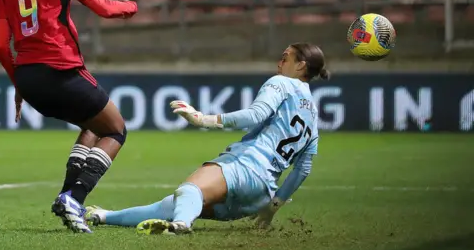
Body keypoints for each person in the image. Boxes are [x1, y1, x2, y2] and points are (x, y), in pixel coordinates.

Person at [0, 0, 138, 233]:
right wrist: (132, 6)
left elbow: (3, 46)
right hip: (60, 70)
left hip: (30, 81)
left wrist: (19, 83)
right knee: (116, 129)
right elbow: (104, 8)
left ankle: (66, 197)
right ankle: (75, 197)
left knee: (92, 125)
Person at [85, 43, 329, 234]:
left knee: (189, 191)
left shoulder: (282, 83)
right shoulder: (312, 116)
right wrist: (272, 208)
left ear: (300, 66)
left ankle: (180, 226)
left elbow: (255, 114)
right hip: (259, 195)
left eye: (286, 57)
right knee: (174, 204)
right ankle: (106, 216)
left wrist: (202, 119)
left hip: (244, 168)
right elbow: (303, 169)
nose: (280, 61)